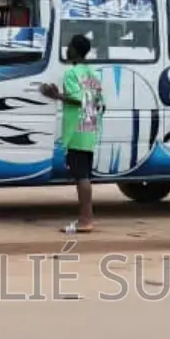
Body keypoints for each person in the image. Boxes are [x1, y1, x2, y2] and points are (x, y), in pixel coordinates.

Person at [40, 34, 104, 233]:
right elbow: (100, 102)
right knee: (83, 174)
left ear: (76, 50)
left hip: (77, 130)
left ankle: (86, 220)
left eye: (69, 46)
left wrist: (56, 95)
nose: (67, 50)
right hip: (90, 127)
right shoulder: (94, 74)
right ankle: (87, 217)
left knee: (81, 176)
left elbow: (80, 99)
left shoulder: (71, 74)